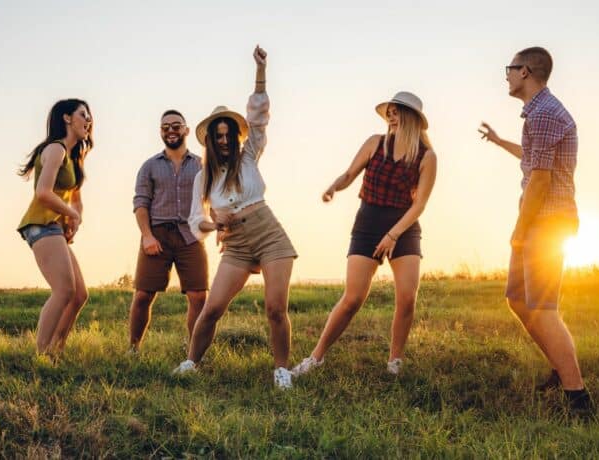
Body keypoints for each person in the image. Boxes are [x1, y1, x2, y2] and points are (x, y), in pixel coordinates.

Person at [172, 45, 298, 389]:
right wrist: (217, 223)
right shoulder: (204, 176)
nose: (225, 140)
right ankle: (190, 363)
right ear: (211, 140)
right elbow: (195, 221)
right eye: (219, 136)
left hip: (269, 232)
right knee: (212, 309)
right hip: (237, 244)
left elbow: (259, 116)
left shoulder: (249, 156)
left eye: (229, 134)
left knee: (275, 307)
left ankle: (281, 370)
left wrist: (260, 71)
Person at [478, 47, 593, 415]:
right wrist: (498, 142)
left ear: (525, 71)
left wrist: (520, 230)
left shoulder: (543, 114)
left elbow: (540, 181)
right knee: (517, 299)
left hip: (546, 222)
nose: (507, 76)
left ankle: (578, 397)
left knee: (542, 308)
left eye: (509, 69)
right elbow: (533, 159)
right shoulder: (539, 114)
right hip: (541, 220)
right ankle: (562, 370)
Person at [292, 91, 437, 378]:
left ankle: (395, 361)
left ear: (411, 118)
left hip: (404, 226)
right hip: (368, 222)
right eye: (390, 111)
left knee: (407, 297)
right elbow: (349, 174)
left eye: (397, 111)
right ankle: (315, 358)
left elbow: (419, 205)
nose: (391, 115)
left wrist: (394, 235)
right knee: (353, 298)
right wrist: (334, 186)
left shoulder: (427, 156)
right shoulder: (375, 143)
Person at [17, 99, 94, 355]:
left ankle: (56, 351)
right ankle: (42, 354)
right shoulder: (55, 150)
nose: (88, 120)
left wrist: (74, 219)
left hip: (55, 228)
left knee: (79, 295)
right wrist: (69, 212)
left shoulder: (74, 156)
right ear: (67, 118)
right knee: (64, 291)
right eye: (83, 114)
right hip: (40, 224)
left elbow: (77, 199)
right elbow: (42, 192)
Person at [129, 109, 208, 352]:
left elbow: (212, 199)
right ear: (160, 132)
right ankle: (133, 347)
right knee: (143, 295)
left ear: (186, 129)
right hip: (158, 235)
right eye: (165, 127)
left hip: (191, 236)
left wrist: (223, 230)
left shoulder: (201, 165)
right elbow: (140, 203)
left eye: (176, 126)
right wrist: (147, 236)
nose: (171, 131)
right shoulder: (149, 166)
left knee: (198, 297)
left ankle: (193, 352)